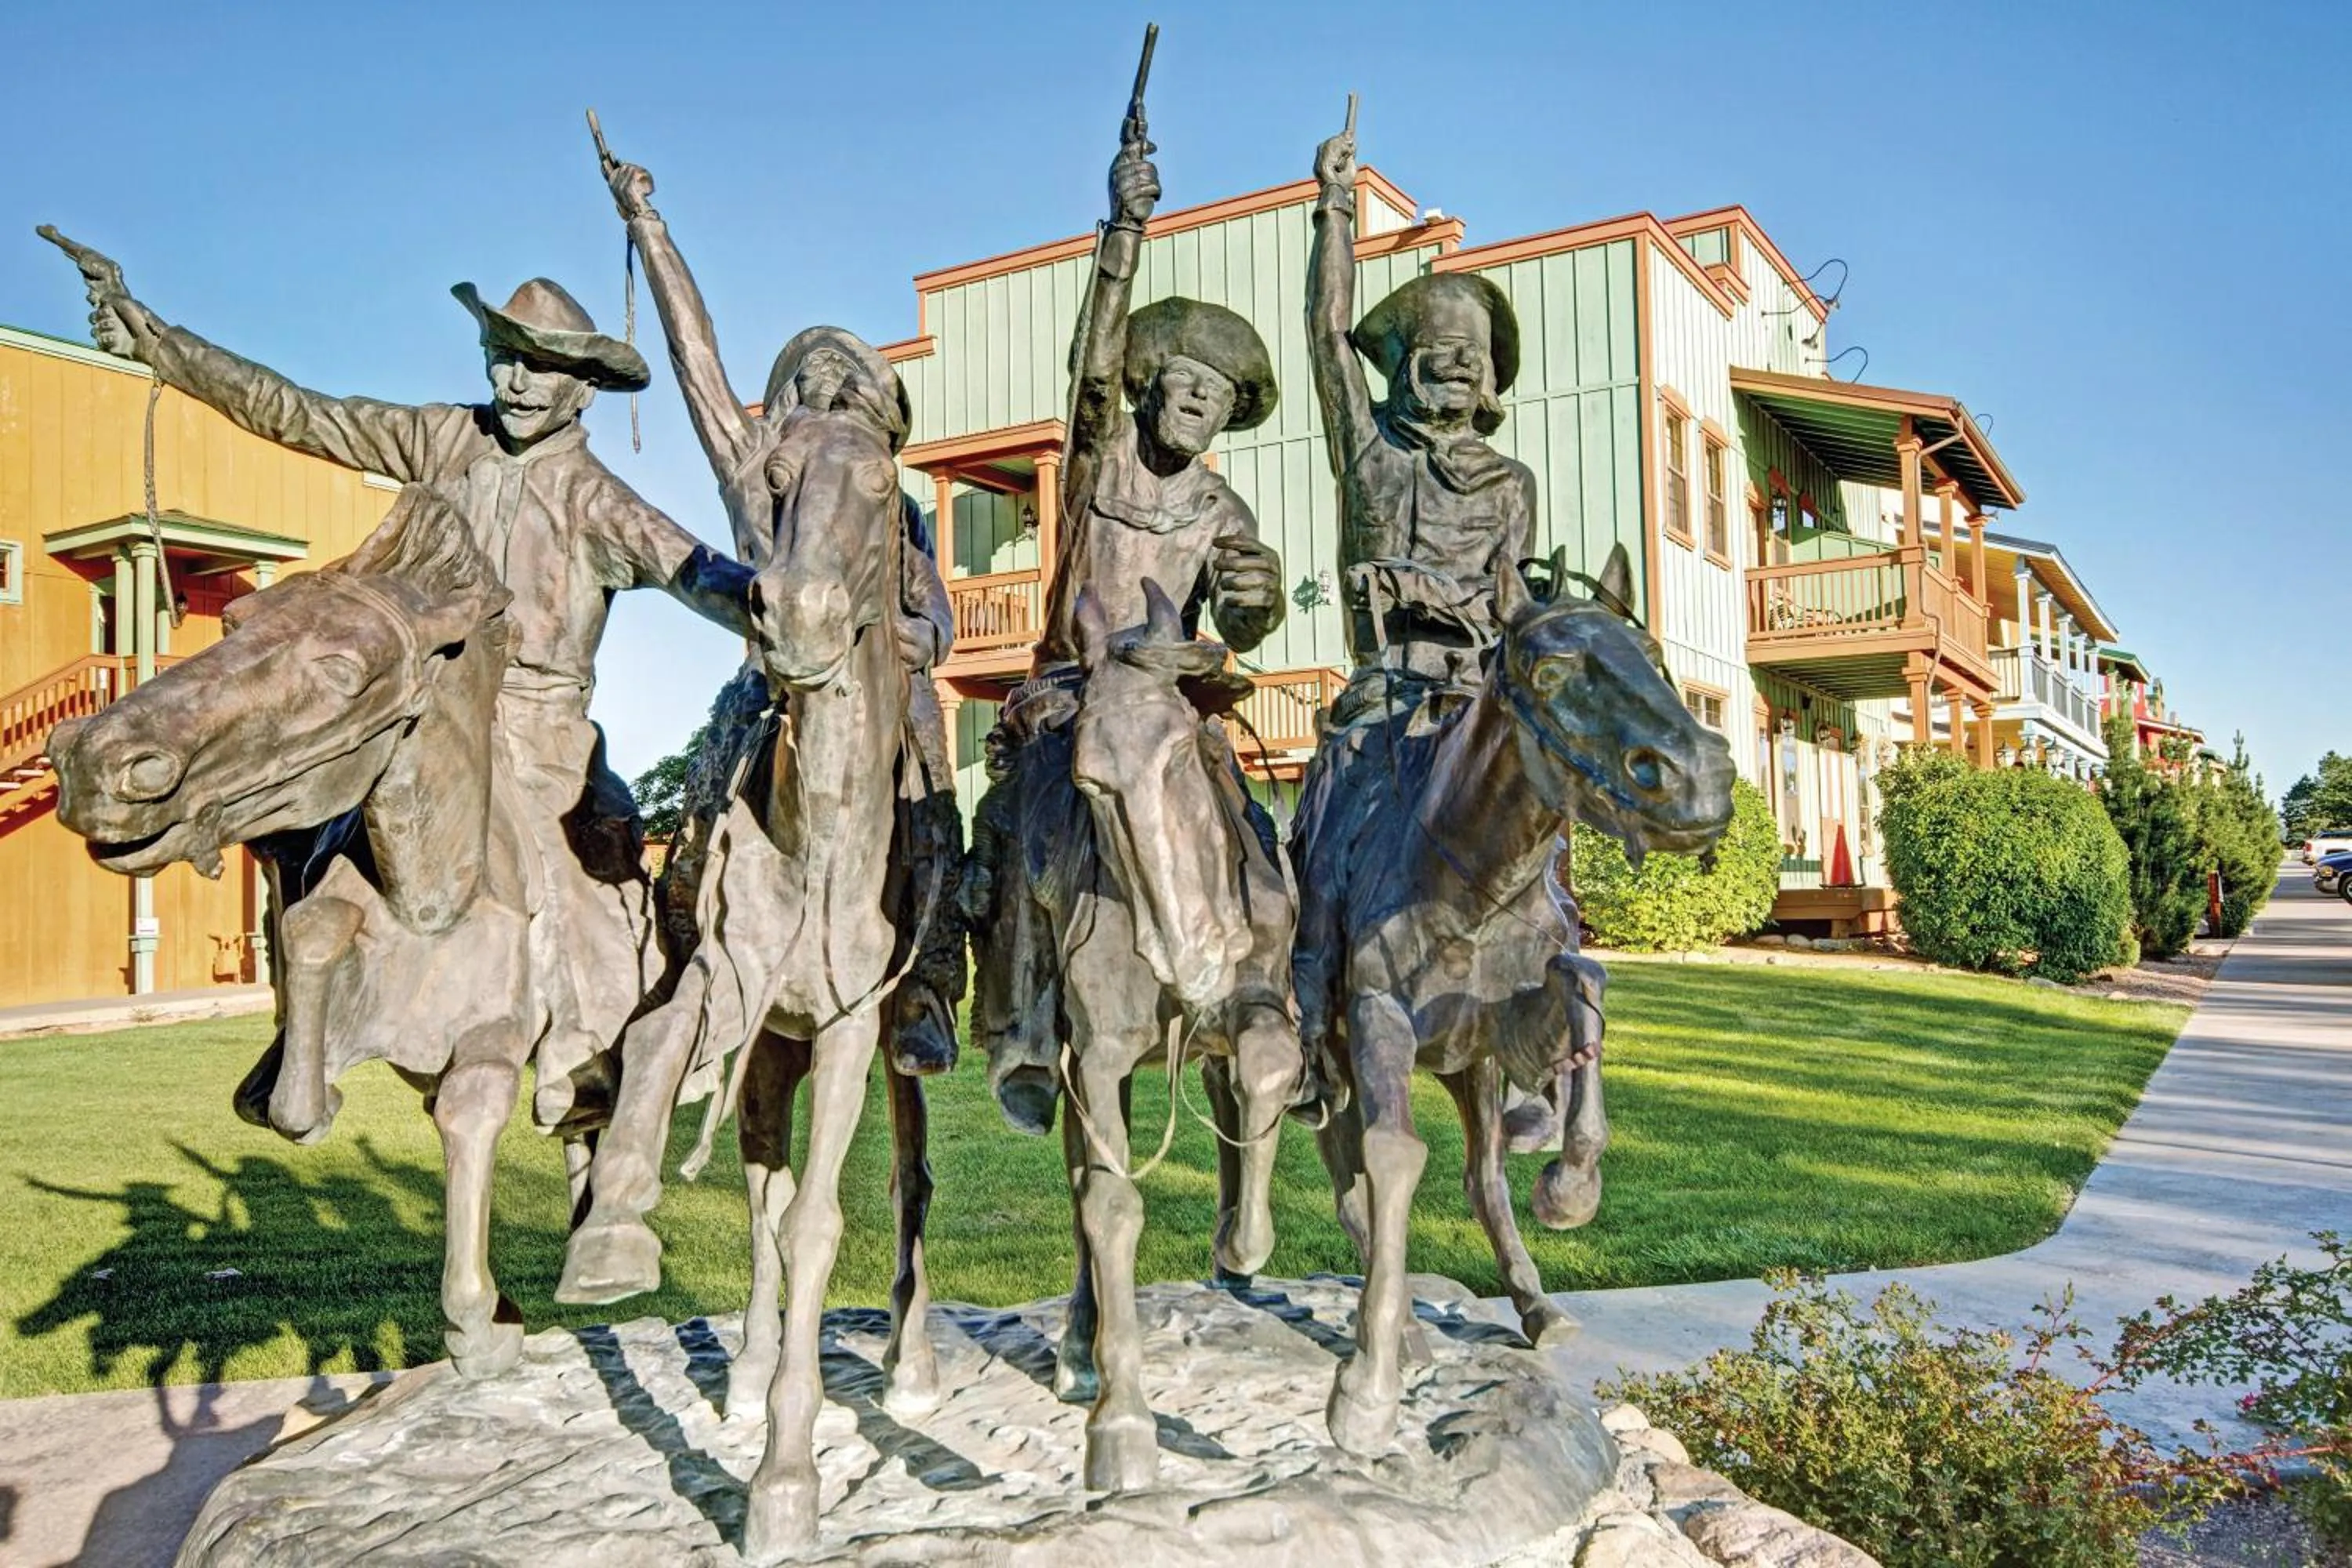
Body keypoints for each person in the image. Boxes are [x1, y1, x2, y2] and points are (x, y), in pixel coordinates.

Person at [67, 246, 754, 1134]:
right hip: (413, 707)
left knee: (590, 859)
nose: (514, 379)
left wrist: (768, 601)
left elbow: (693, 570)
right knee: (296, 817)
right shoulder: (443, 439)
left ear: (583, 386)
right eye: (503, 355)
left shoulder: (597, 500)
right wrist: (159, 344)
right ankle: (303, 1031)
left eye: (539, 365)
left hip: (534, 737)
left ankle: (586, 1046)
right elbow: (301, 413)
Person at [965, 127, 1294, 1132]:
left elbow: (1242, 615)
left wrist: (1258, 594)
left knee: (1253, 833)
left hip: (1172, 701)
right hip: (1071, 697)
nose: (1198, 397)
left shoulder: (1223, 512)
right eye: (1183, 380)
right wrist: (1124, 232)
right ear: (1149, 390)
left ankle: (1276, 999)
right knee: (1022, 828)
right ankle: (1018, 1021)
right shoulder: (1100, 467)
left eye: (1219, 393)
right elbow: (1087, 373)